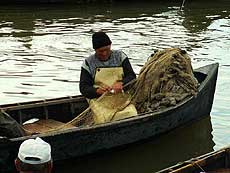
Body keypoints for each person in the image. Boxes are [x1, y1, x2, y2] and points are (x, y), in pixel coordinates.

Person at [79, 31, 137, 124]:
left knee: (131, 113)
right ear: (95, 50)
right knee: (103, 119)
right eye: (100, 51)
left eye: (107, 49)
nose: (104, 53)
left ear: (110, 45)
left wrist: (121, 83)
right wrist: (97, 91)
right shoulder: (88, 63)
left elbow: (132, 77)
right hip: (99, 100)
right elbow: (83, 87)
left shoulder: (120, 56)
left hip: (120, 96)